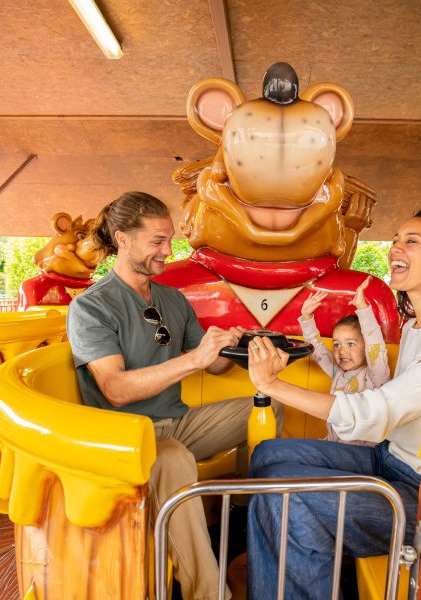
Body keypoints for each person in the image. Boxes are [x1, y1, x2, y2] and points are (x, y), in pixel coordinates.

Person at [244, 208, 421, 600]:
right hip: (388, 458)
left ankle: (294, 555)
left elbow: (375, 411)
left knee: (285, 500)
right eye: (396, 239)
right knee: (267, 456)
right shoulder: (419, 325)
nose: (395, 247)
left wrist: (272, 385)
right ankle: (293, 562)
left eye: (410, 241)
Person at [67, 191, 272, 600]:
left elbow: (212, 365)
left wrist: (233, 345)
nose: (168, 250)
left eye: (170, 239)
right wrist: (194, 358)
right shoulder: (92, 307)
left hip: (177, 423)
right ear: (123, 239)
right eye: (158, 241)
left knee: (267, 408)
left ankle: (251, 529)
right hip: (128, 436)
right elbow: (116, 389)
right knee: (173, 457)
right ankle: (208, 594)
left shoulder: (172, 299)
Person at [298, 279, 390, 445]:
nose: (342, 351)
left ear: (365, 346)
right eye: (337, 345)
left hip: (362, 451)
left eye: (351, 344)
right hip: (335, 444)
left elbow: (374, 341)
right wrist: (306, 317)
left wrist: (362, 308)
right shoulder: (337, 371)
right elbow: (316, 347)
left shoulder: (376, 374)